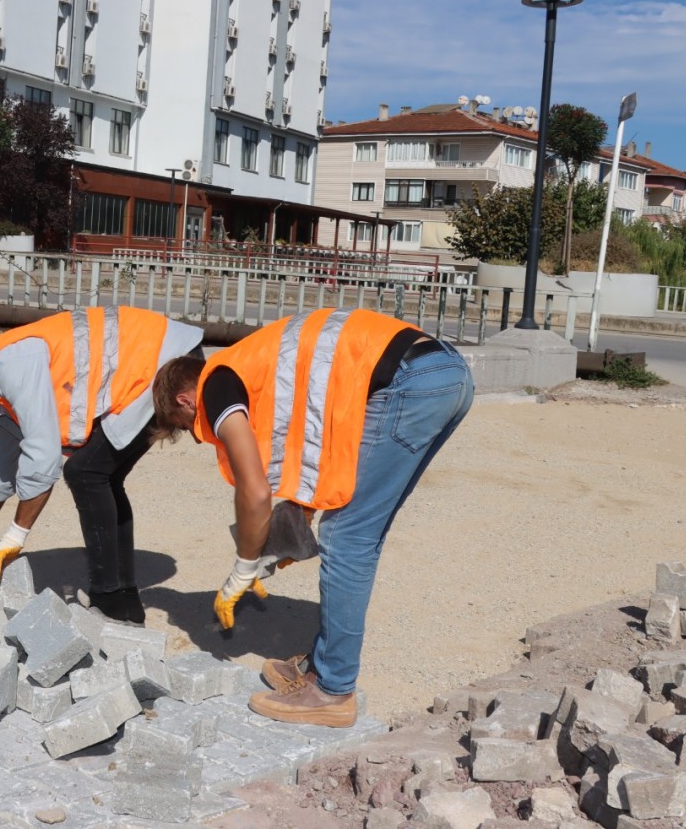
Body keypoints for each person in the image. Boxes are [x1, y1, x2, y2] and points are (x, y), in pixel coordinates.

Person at [151, 308, 473, 727]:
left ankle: (333, 691)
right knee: (359, 530)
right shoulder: (257, 369)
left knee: (346, 537)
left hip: (410, 382)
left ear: (185, 400)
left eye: (191, 426)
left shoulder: (218, 383)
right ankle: (321, 668)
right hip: (442, 372)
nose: (202, 435)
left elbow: (254, 490)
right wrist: (288, 532)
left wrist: (243, 569)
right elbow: (321, 450)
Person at [0, 306, 204, 623]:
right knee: (100, 474)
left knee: (87, 472)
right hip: (152, 360)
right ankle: (124, 606)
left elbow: (43, 456)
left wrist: (13, 538)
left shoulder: (10, 367)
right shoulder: (1, 395)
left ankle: (110, 603)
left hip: (165, 362)